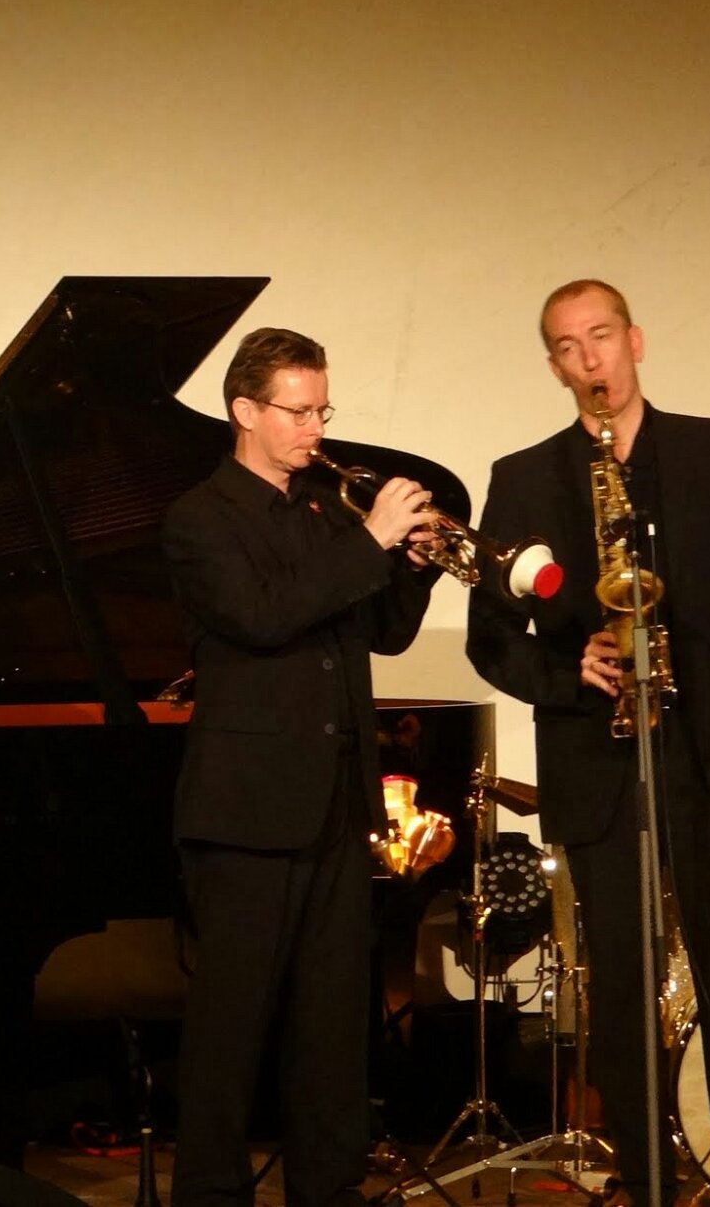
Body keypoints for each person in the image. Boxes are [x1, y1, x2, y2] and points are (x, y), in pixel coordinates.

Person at [465, 280, 710, 1207]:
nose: (591, 359)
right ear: (554, 366)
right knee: (619, 992)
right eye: (568, 346)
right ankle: (645, 1182)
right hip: (599, 766)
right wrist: (565, 672)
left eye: (602, 336)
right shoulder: (522, 478)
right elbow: (489, 641)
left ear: (635, 341)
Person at [163, 328, 441, 1207]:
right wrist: (371, 541)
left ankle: (329, 1189)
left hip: (335, 803)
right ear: (245, 411)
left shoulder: (324, 512)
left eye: (322, 409)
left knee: (331, 1024)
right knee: (231, 1027)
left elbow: (383, 633)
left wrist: (412, 566)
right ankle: (211, 1197)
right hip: (247, 809)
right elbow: (262, 616)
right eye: (298, 411)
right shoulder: (199, 517)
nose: (317, 428)